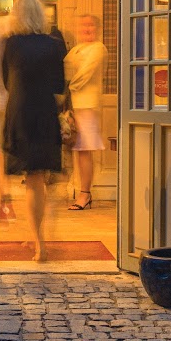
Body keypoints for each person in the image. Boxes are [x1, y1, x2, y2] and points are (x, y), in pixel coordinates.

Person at [0, 0, 67, 260]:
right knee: (38, 179)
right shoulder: (54, 45)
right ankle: (37, 237)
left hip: (20, 112)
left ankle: (38, 240)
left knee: (32, 181)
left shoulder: (11, 44)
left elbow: (7, 81)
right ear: (41, 15)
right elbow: (58, 85)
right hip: (44, 112)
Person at [63, 13, 107, 210]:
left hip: (87, 106)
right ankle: (82, 190)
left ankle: (85, 194)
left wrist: (68, 86)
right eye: (82, 26)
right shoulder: (77, 49)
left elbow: (83, 75)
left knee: (84, 151)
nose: (86, 29)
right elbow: (64, 67)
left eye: (90, 25)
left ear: (97, 28)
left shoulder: (98, 48)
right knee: (78, 151)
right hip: (75, 106)